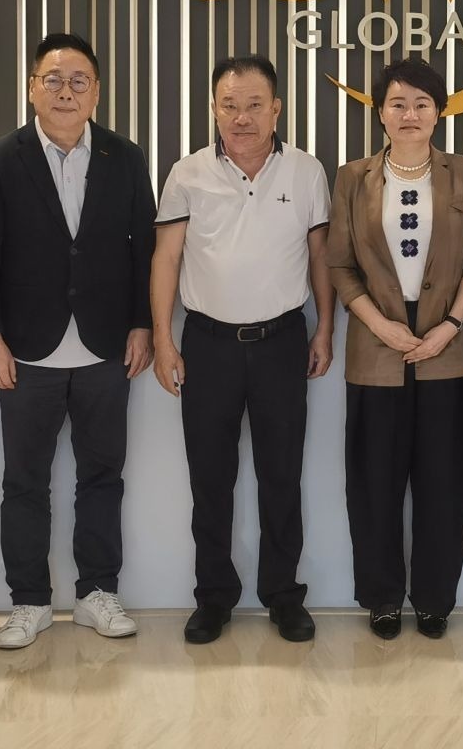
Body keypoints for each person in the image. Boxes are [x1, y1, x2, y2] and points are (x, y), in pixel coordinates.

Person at [0, 32, 157, 651]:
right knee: (24, 481)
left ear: (96, 92)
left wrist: (142, 324)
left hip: (105, 348)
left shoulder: (125, 157)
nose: (65, 91)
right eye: (53, 79)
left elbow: (144, 250)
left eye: (79, 81)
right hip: (25, 350)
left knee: (103, 475)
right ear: (32, 89)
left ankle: (98, 591)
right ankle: (29, 601)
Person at [152, 55, 334, 645]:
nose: (241, 117)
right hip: (207, 346)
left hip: (282, 342)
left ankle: (284, 595)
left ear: (276, 109)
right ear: (214, 109)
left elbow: (320, 256)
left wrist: (325, 329)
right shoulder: (187, 173)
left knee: (282, 476)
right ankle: (213, 598)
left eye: (255, 105)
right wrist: (162, 339)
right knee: (211, 479)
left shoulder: (306, 172)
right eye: (229, 105)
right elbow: (166, 258)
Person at [326, 58, 463, 640]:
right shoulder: (352, 178)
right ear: (380, 113)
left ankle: (435, 599)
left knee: (446, 480)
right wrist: (381, 326)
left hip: (447, 344)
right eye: (397, 103)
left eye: (422, 104)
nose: (410, 114)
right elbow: (340, 265)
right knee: (374, 481)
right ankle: (382, 598)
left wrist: (451, 323)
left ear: (439, 112)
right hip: (377, 348)